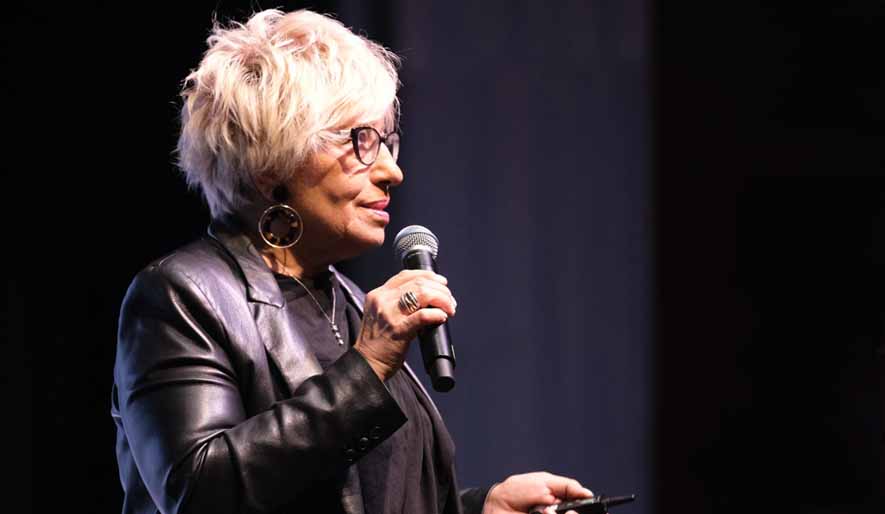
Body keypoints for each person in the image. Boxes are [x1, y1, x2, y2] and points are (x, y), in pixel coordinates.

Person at [112, 9, 592, 514]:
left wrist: (481, 509)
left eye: (388, 142)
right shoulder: (182, 296)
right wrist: (368, 366)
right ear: (271, 163)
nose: (391, 171)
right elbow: (195, 491)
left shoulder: (349, 304)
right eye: (361, 140)